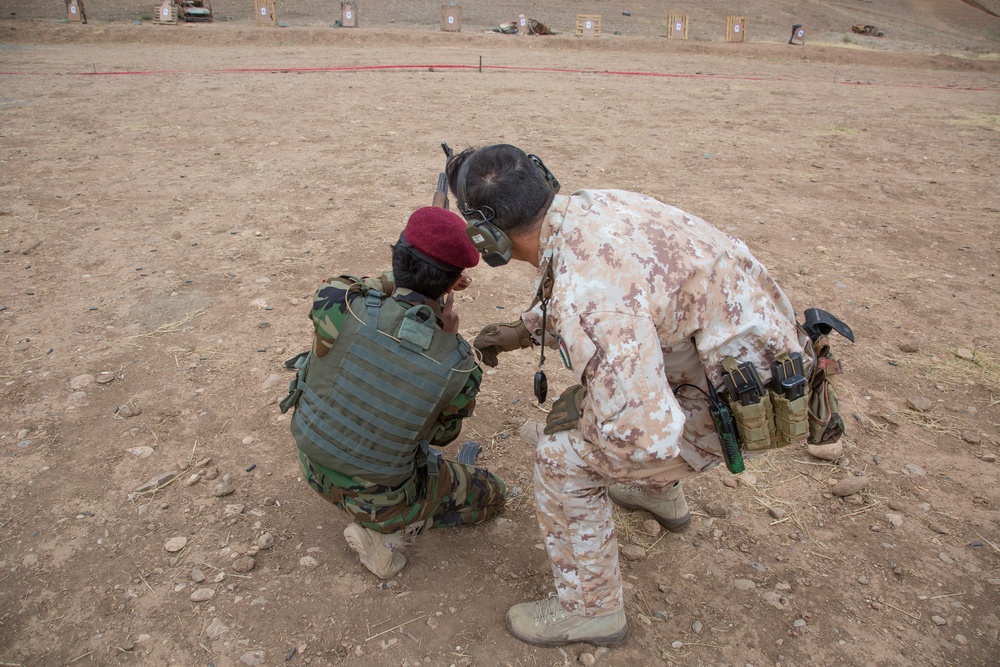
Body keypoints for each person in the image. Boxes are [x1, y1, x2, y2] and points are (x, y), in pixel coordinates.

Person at [446, 144, 806, 647]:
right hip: (729, 358)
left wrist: (588, 422)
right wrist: (524, 331)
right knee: (613, 387)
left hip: (738, 400)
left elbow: (646, 434)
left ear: (486, 236)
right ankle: (660, 496)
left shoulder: (590, 300)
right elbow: (627, 292)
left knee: (561, 460)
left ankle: (590, 610)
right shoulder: (591, 209)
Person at [280, 206, 507, 579]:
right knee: (493, 494)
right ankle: (389, 536)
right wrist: (444, 335)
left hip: (311, 465)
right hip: (380, 501)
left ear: (396, 255)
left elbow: (362, 286)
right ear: (454, 283)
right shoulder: (460, 366)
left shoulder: (338, 302)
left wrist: (414, 286)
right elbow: (440, 437)